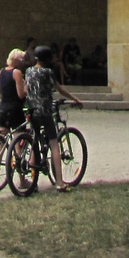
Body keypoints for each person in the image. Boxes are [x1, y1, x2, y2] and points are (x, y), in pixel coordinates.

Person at [24, 44, 84, 191]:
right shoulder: (47, 72)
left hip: (31, 110)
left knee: (34, 142)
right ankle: (59, 181)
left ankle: (33, 179)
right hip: (45, 111)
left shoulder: (28, 71)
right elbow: (59, 89)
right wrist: (75, 98)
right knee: (54, 144)